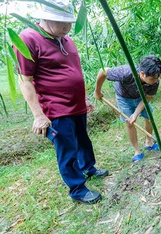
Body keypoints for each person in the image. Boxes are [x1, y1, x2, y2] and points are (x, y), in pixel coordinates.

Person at [14, 0, 108, 204]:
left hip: (77, 106)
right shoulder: (28, 38)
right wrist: (38, 115)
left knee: (83, 140)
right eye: (61, 22)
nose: (67, 27)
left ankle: (88, 168)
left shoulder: (67, 40)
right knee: (67, 149)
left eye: (70, 22)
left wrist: (83, 97)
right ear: (45, 18)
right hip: (56, 109)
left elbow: (74, 72)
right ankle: (78, 189)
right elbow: (25, 80)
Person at [94, 55, 161, 162]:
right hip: (124, 98)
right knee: (130, 122)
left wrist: (136, 113)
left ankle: (149, 142)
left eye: (157, 77)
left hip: (141, 98)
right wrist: (97, 91)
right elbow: (103, 71)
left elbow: (147, 98)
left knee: (149, 115)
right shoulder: (126, 73)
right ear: (142, 74)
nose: (156, 80)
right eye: (152, 78)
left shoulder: (155, 81)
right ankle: (137, 151)